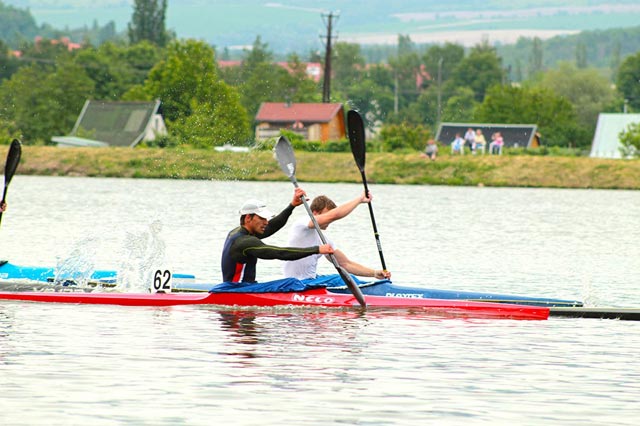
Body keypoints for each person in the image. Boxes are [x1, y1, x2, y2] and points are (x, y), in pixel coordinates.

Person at [221, 188, 334, 283]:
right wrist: (317, 249)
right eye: (261, 218)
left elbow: (272, 226)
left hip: (243, 286)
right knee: (292, 283)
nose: (266, 222)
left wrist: (292, 206)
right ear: (248, 218)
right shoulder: (245, 242)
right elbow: (279, 253)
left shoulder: (240, 232)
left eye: (266, 218)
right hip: (239, 289)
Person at [283, 193, 392, 281]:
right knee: (343, 280)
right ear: (315, 213)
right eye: (326, 215)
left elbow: (345, 264)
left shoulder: (323, 239)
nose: (330, 220)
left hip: (311, 281)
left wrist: (374, 273)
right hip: (295, 283)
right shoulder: (302, 224)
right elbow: (334, 215)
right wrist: (359, 199)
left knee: (349, 278)